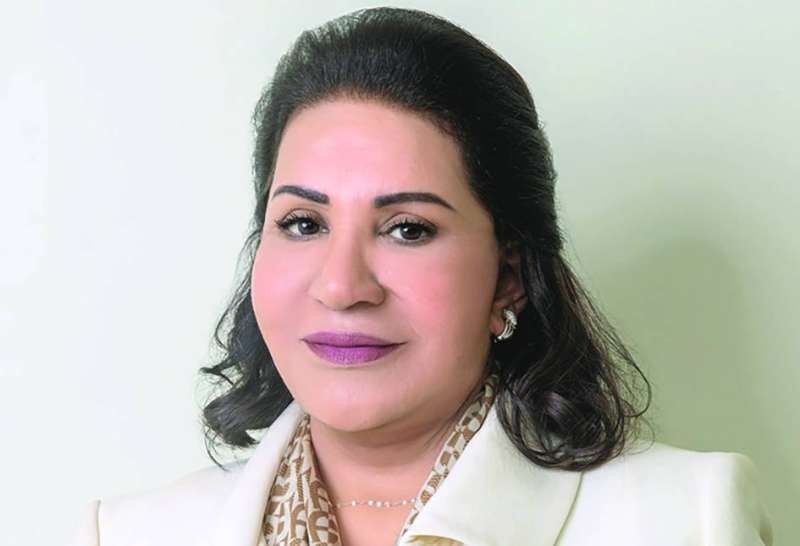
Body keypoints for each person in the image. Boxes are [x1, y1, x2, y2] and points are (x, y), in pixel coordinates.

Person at [71, 7, 773, 546]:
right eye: (303, 224)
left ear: (510, 275)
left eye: (408, 228)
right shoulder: (132, 533)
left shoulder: (688, 517)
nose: (342, 286)